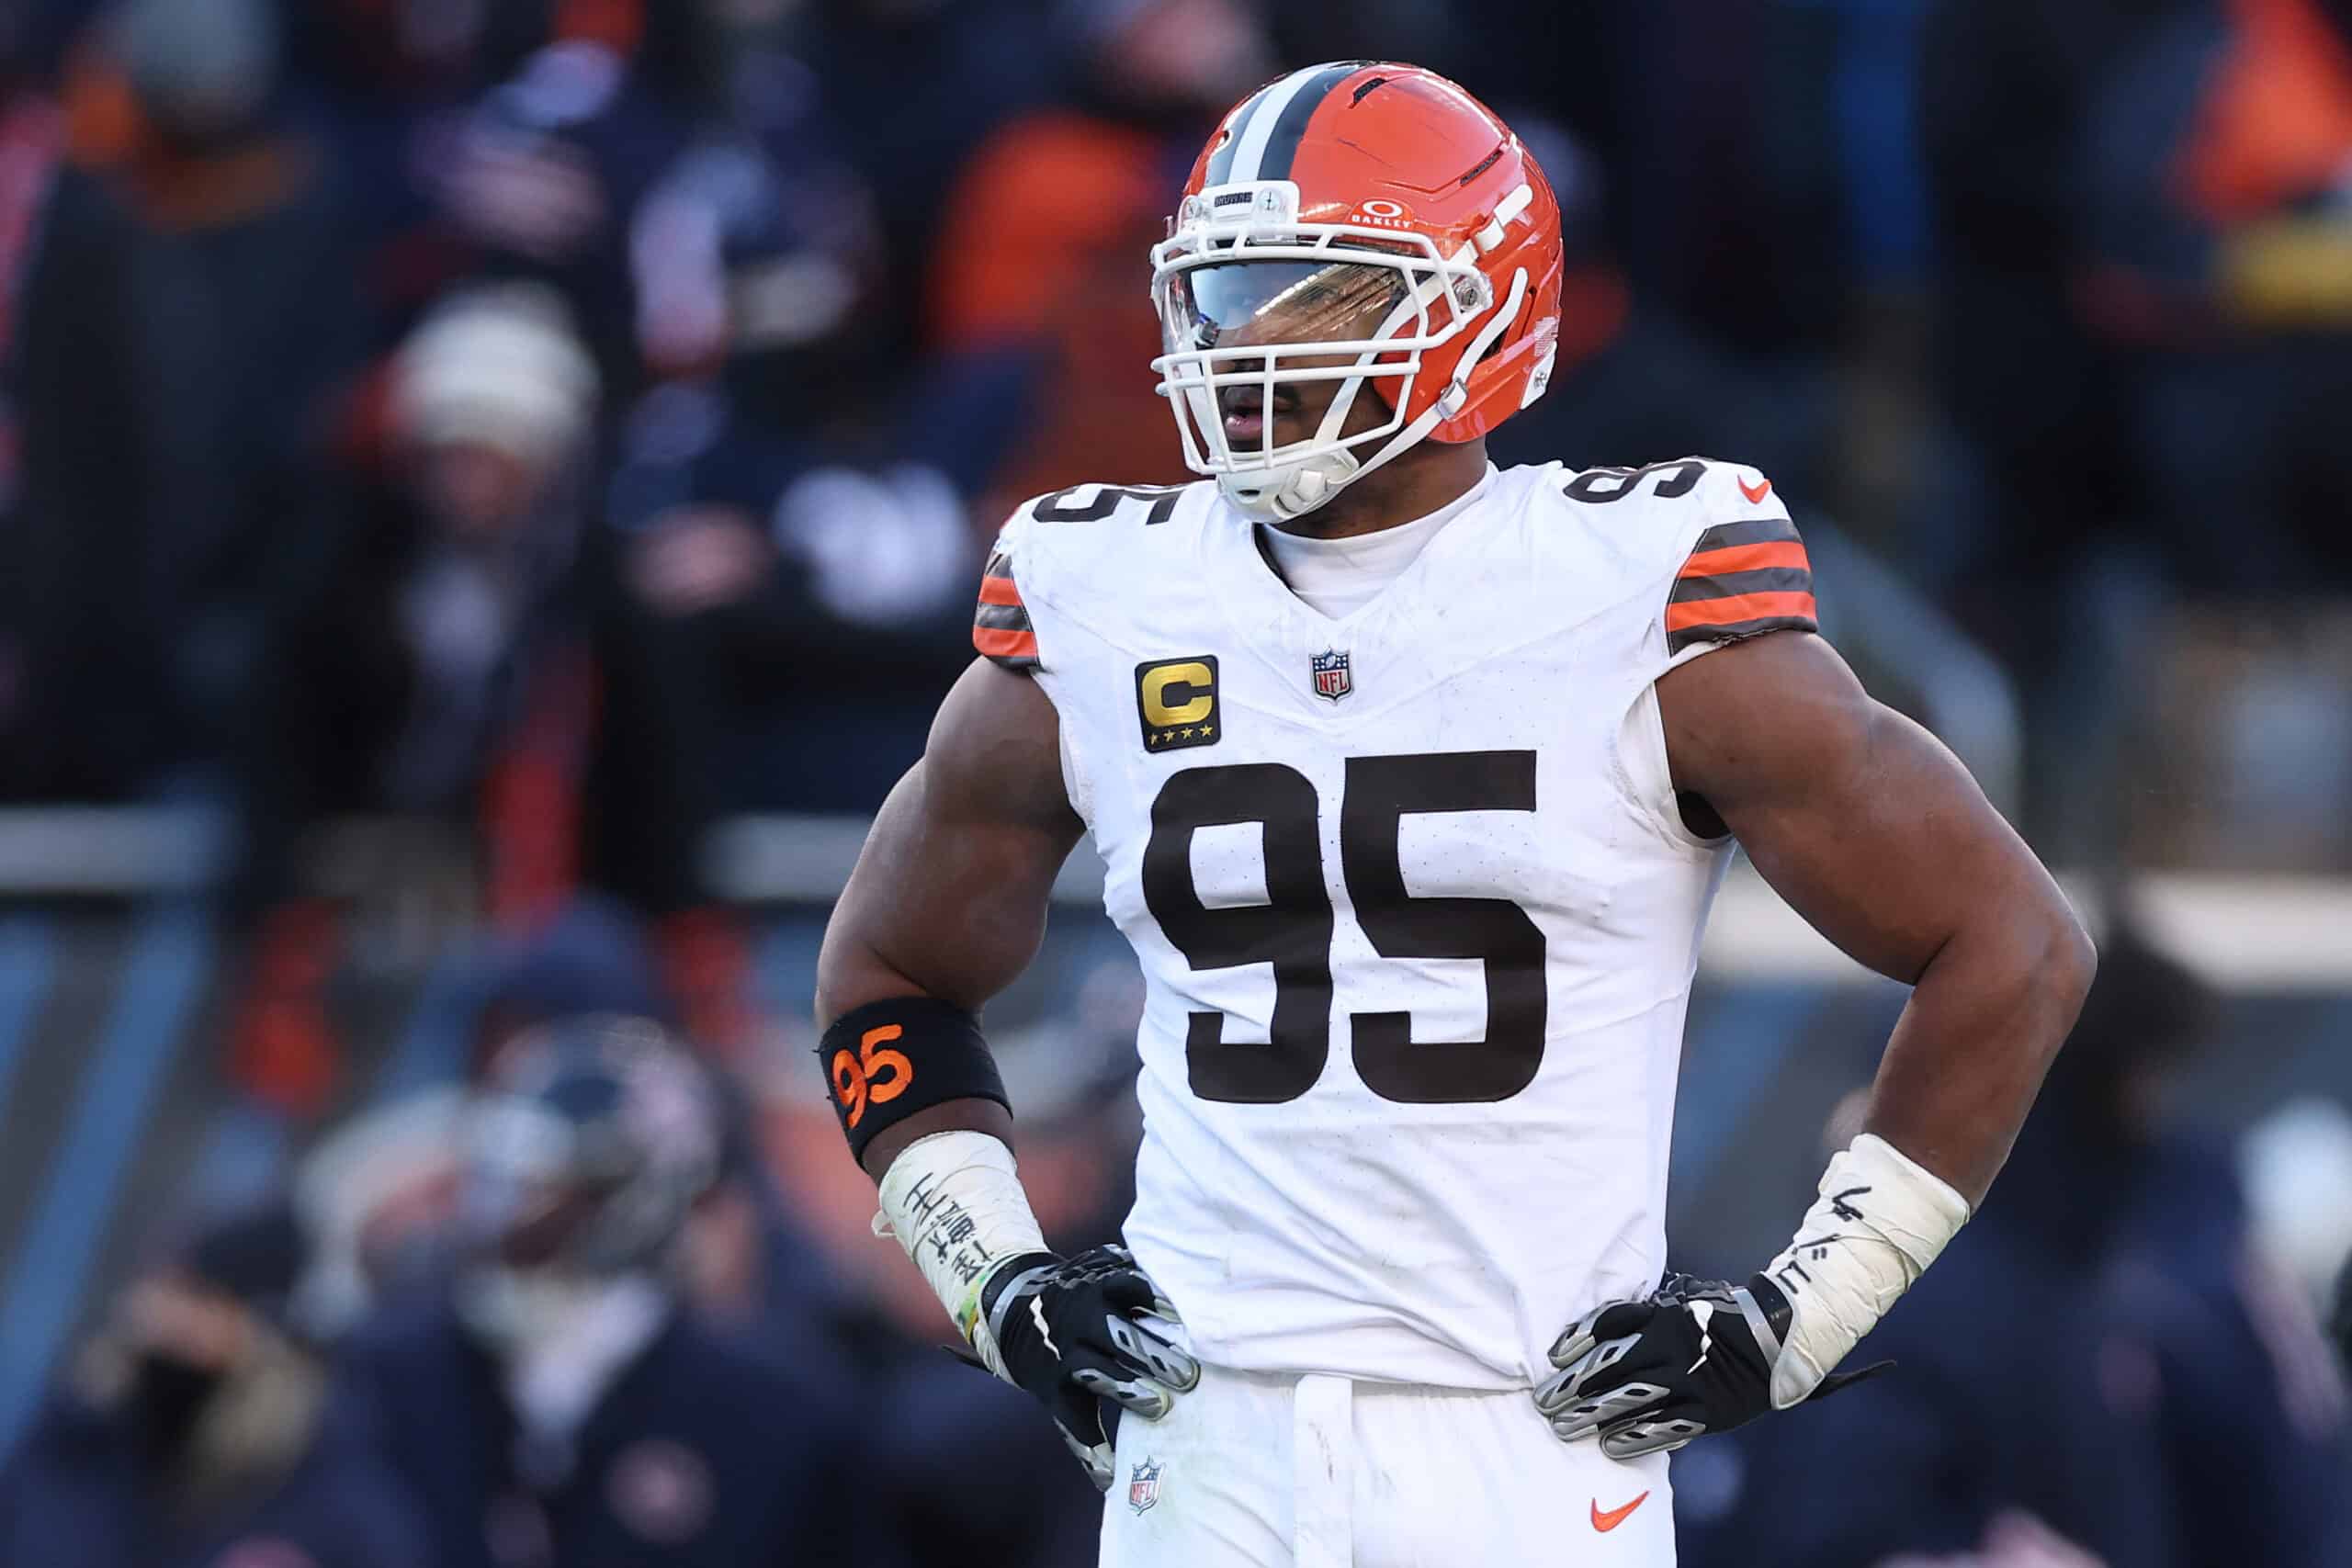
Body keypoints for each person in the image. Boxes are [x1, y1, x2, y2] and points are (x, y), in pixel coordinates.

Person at [811, 60, 2096, 1566]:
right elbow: (883, 976)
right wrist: (999, 1282)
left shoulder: (1634, 588)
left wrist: (1799, 1315)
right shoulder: (1108, 596)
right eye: (1226, 295)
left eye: (1319, 295)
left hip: (1533, 1435)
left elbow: (2011, 943)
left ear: (1486, 312)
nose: (1250, 346)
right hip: (1201, 1429)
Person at [335, 1014, 876, 1566]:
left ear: (634, 1202)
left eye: (540, 1189)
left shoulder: (777, 1412)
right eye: (493, 1180)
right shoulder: (384, 1375)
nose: (498, 1220)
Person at [0, 1201, 426, 1568]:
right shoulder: (80, 1433)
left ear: (262, 1325)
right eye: (160, 1286)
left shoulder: (326, 1498)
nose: (161, 1314)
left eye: (197, 1295)